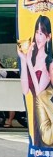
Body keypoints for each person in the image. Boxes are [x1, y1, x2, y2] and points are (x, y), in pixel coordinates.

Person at [18, 16, 53, 145]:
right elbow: (25, 90)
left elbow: (39, 92)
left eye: (41, 33)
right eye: (37, 33)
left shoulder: (48, 60)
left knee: (46, 141)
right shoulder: (31, 57)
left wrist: (28, 63)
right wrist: (23, 60)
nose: (38, 37)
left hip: (45, 110)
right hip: (34, 110)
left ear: (48, 37)